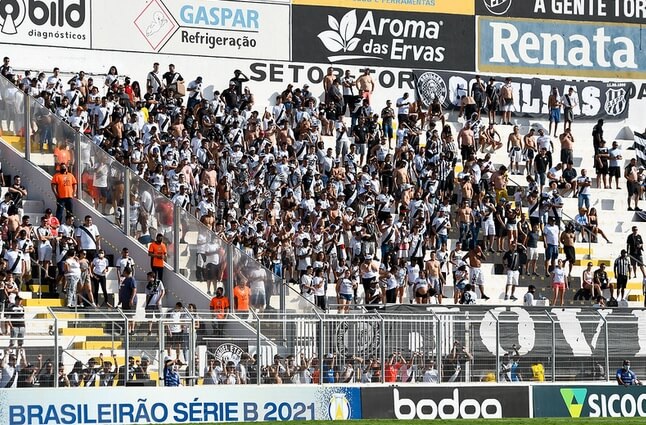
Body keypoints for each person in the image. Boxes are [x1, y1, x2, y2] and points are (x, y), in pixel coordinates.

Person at [144, 271, 165, 335]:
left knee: (159, 317)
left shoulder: (159, 282)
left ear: (151, 276)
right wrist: (147, 304)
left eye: (148, 277)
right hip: (150, 303)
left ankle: (159, 330)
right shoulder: (148, 285)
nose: (147, 278)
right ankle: (149, 330)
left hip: (157, 303)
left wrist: (159, 300)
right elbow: (147, 295)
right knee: (149, 317)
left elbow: (162, 291)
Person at [119, 267, 137, 334]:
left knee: (131, 315)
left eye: (124, 271)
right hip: (124, 301)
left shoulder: (131, 279)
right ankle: (127, 329)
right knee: (126, 316)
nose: (123, 272)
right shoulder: (124, 280)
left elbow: (134, 289)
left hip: (130, 301)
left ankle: (132, 329)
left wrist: (131, 299)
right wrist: (120, 300)